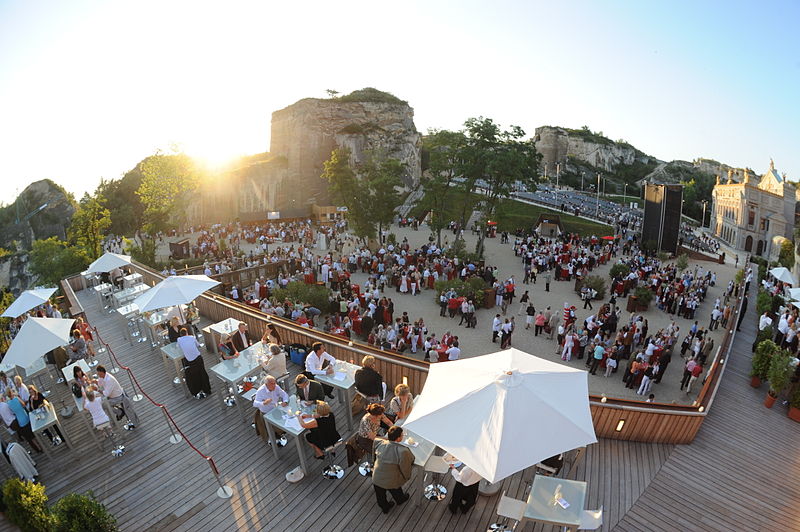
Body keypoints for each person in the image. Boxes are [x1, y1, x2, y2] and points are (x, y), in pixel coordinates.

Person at [372, 425, 412, 513]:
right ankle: (400, 500)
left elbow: (374, 456)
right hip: (391, 479)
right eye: (402, 435)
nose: (402, 436)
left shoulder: (380, 443)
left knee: (380, 496)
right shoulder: (403, 451)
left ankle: (385, 508)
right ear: (398, 438)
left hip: (376, 477)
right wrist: (407, 477)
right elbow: (405, 467)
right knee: (396, 489)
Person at [177, 328, 211, 398]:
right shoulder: (192, 337)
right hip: (198, 358)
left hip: (190, 361)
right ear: (187, 333)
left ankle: (196, 391)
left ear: (181, 334)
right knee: (202, 373)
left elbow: (178, 347)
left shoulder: (179, 339)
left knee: (194, 376)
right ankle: (207, 389)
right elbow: (198, 345)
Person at [5, 389, 43, 453]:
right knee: (34, 433)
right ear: (12, 393)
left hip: (20, 421)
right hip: (26, 417)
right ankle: (41, 445)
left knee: (30, 437)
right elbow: (23, 405)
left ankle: (38, 449)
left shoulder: (8, 404)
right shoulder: (17, 398)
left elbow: (12, 412)